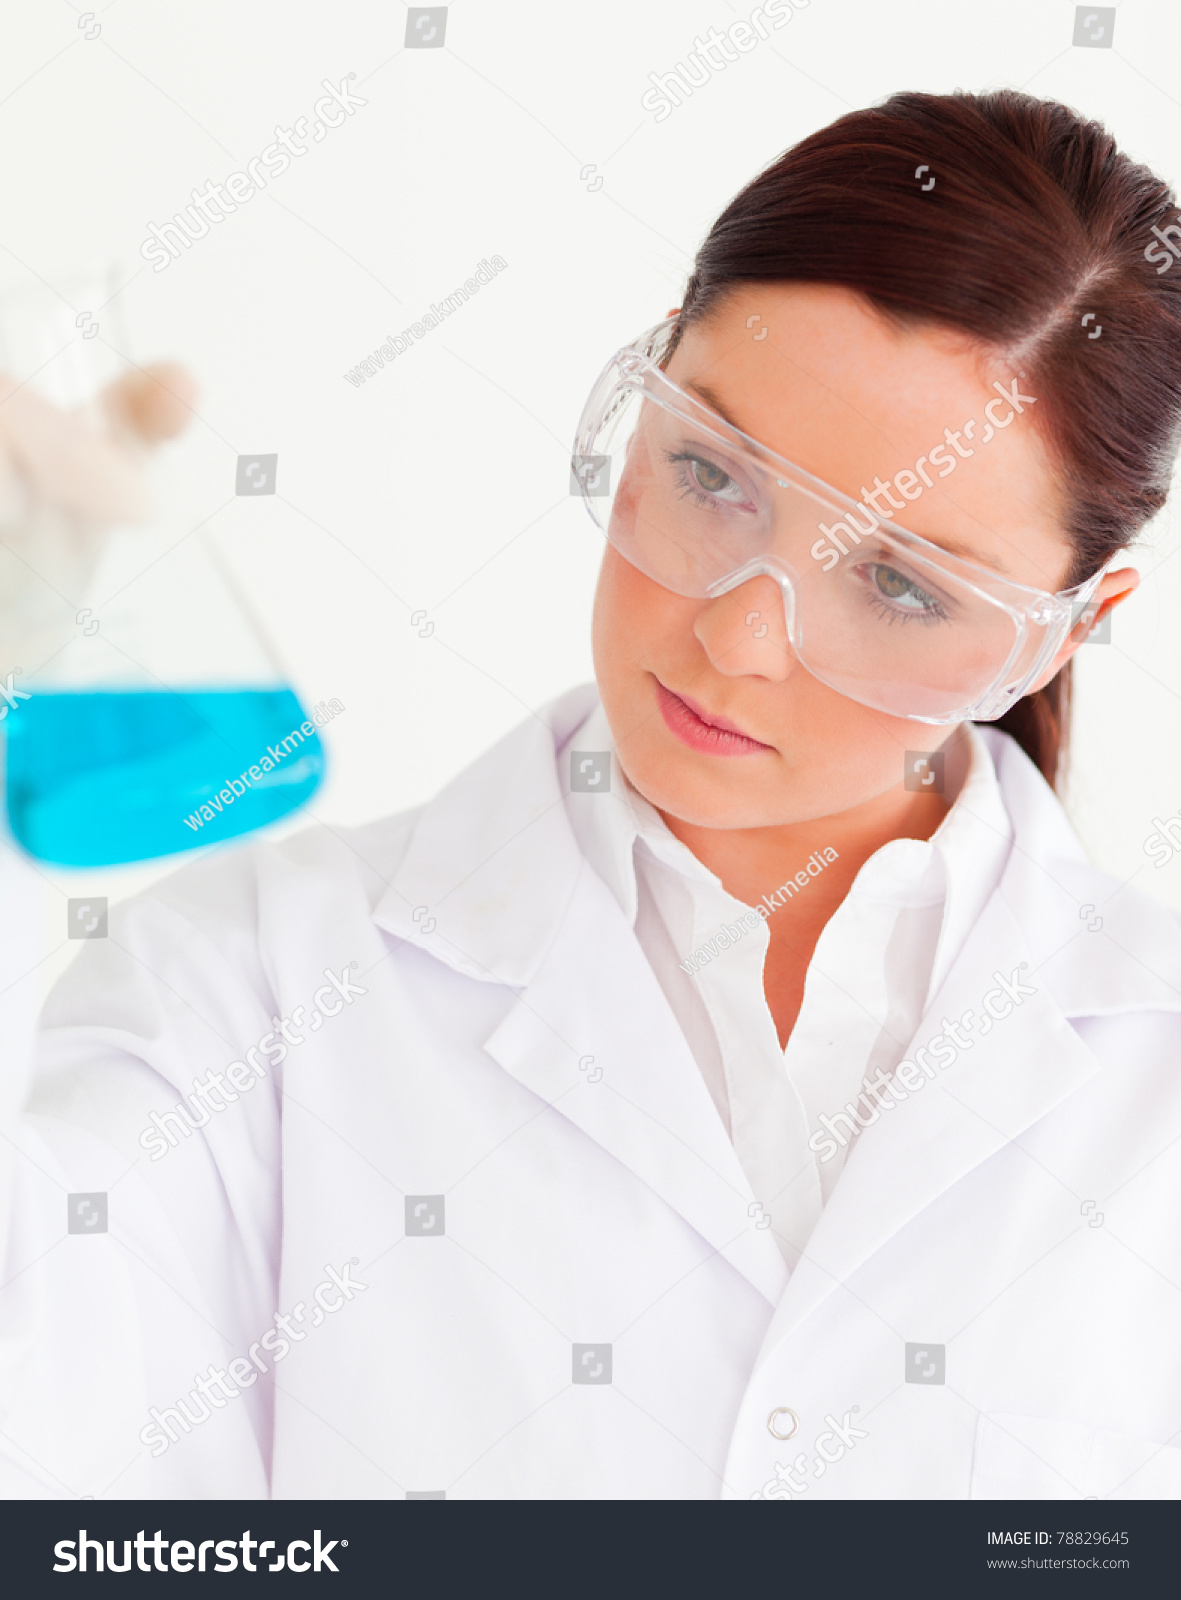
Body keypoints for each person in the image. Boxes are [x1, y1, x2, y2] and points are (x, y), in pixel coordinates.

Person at [4, 87, 1181, 1503]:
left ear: (1061, 627)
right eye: (711, 475)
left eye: (898, 583)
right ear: (642, 387)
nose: (736, 640)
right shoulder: (246, 993)